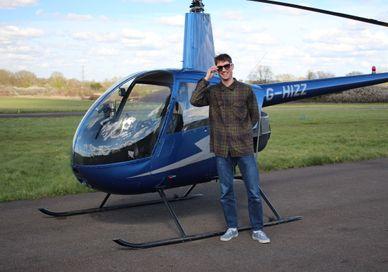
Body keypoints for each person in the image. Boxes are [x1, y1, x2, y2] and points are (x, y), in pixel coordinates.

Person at [190, 54, 270, 243]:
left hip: (243, 148)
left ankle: (258, 229)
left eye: (226, 66)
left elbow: (254, 116)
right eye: (219, 68)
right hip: (221, 149)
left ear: (232, 66)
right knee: (226, 192)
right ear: (216, 70)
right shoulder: (213, 91)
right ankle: (232, 227)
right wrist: (206, 79)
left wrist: (241, 132)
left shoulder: (245, 90)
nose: (224, 70)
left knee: (253, 191)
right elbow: (195, 100)